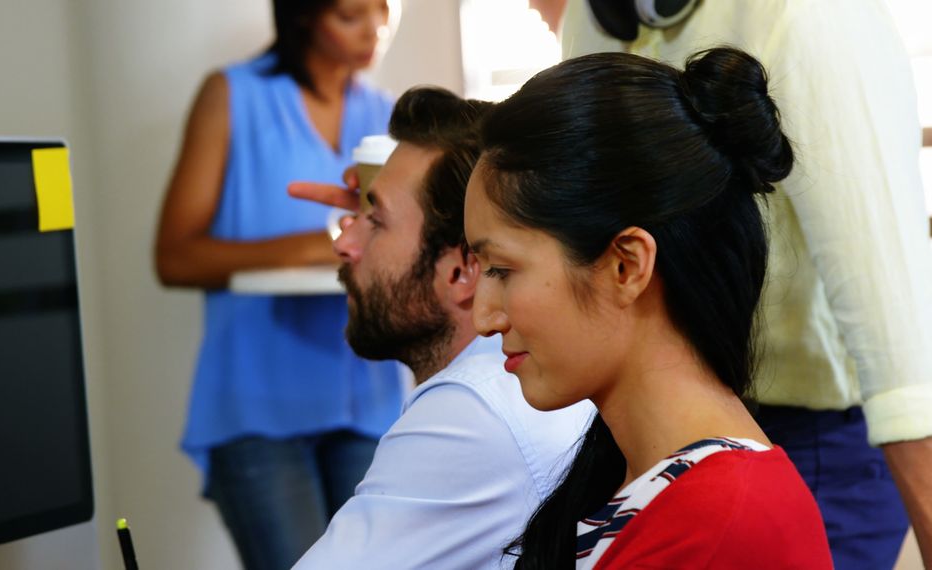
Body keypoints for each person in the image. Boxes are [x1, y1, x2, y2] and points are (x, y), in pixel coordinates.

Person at [528, 1, 932, 567]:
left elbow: (893, 314)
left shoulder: (814, 17)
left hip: (813, 437)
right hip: (644, 430)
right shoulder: (595, 19)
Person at [464, 48, 832, 568]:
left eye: (501, 270)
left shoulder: (718, 524)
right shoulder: (646, 482)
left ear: (627, 266)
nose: (484, 318)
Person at [288, 87, 593, 569]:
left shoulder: (471, 412)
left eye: (374, 220)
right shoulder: (522, 377)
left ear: (461, 272)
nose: (344, 242)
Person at [153, 1, 405, 568]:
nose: (373, 31)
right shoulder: (233, 96)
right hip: (259, 407)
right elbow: (174, 257)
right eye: (349, 14)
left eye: (383, 11)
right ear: (303, 16)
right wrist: (317, 246)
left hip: (368, 401)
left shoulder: (385, 113)